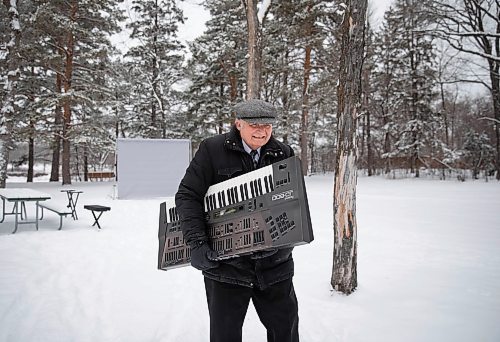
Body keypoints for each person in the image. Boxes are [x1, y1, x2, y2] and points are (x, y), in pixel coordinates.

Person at [175, 99, 299, 342]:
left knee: (285, 332)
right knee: (225, 336)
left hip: (275, 264)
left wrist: (290, 239)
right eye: (254, 125)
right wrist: (197, 243)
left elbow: (292, 200)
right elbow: (188, 195)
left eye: (268, 125)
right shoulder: (212, 149)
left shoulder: (283, 152)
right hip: (227, 266)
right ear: (238, 123)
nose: (262, 131)